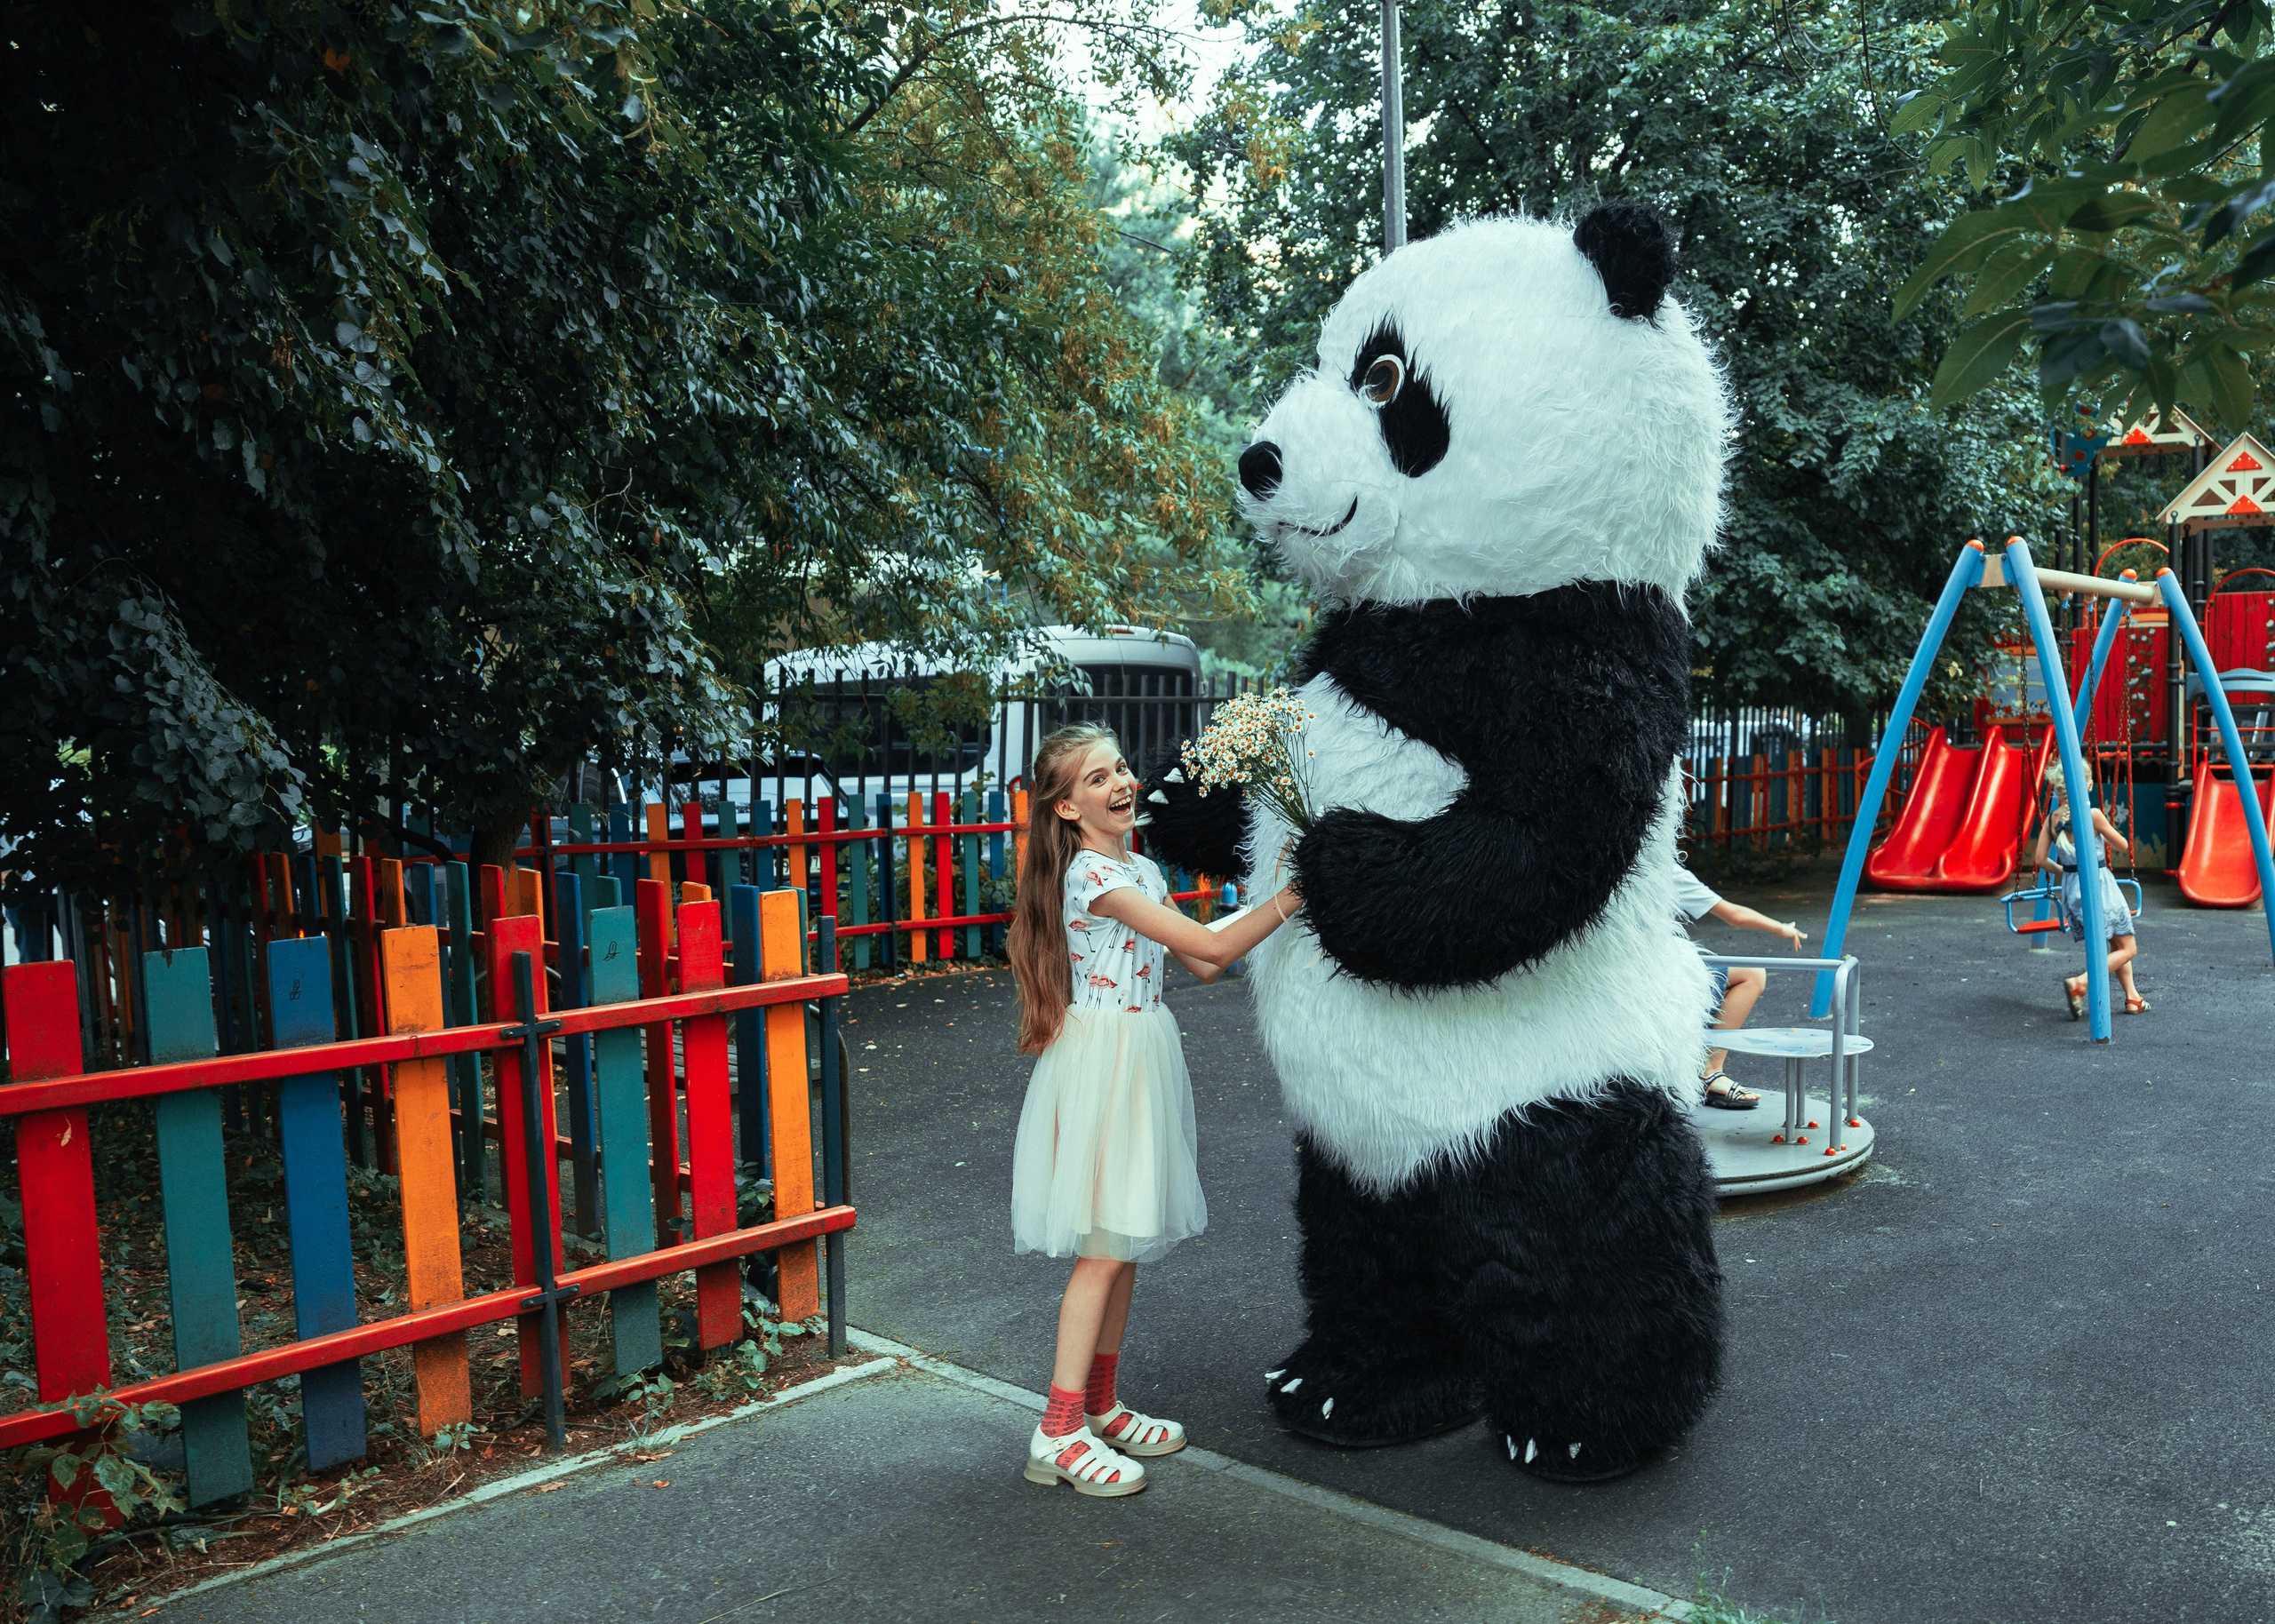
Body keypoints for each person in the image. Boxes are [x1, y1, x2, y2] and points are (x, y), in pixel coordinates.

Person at [1006, 724, 1305, 1497]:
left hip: (1142, 1055)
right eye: (1098, 779)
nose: (1122, 784)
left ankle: (1100, 1405)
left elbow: (1206, 962)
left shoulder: (1138, 867)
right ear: (1068, 808)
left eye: (1122, 769)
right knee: (1103, 1246)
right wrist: (1302, 891)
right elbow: (1212, 942)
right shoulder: (1091, 877)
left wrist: (1280, 892)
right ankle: (1058, 1430)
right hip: (1104, 1063)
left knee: (1126, 1236)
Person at [1672, 863, 1808, 1109]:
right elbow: (1735, 916)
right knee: (1752, 975)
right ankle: (1709, 1071)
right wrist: (1780, 928)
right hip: (1651, 973)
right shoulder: (1662, 869)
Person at [2032, 773, 2144, 1016]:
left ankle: (2132, 998)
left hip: (2072, 889)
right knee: (2129, 948)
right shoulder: (2092, 815)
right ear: (2090, 785)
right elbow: (2122, 845)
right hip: (2098, 886)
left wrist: (2064, 871)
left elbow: (2040, 859)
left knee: (2117, 941)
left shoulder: (2052, 820)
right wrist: (2103, 831)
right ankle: (2081, 982)